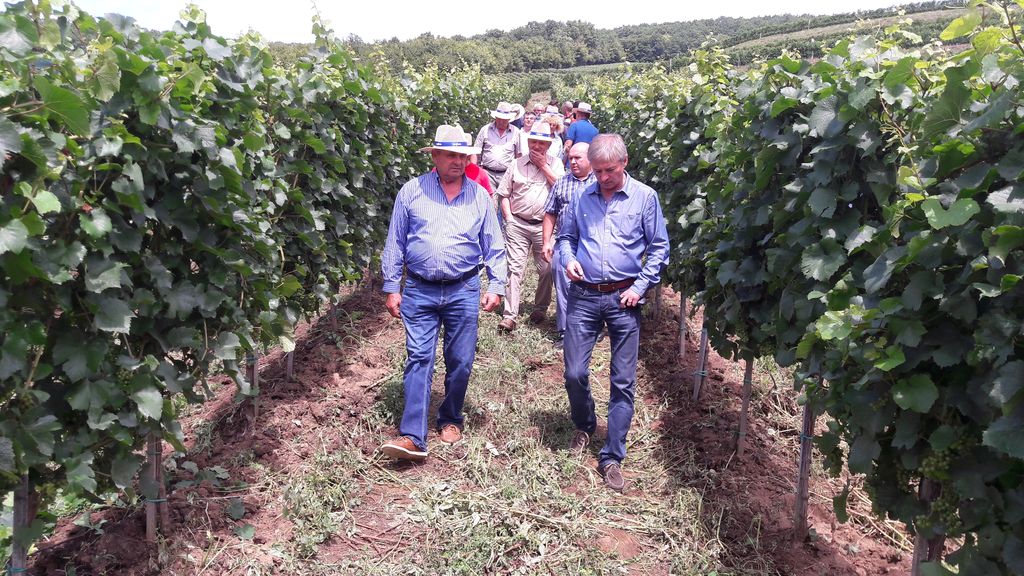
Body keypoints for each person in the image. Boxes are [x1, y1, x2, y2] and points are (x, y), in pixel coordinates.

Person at [380, 125, 506, 462]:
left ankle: (450, 417)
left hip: (463, 288)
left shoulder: (479, 196)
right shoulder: (412, 192)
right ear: (434, 156)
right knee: (419, 358)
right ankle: (412, 435)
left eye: (463, 156)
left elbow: (494, 245)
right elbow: (395, 241)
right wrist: (392, 286)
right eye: (451, 155)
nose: (458, 161)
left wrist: (496, 285)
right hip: (419, 288)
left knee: (460, 361)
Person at [556, 133, 670, 491]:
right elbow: (565, 238)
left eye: (610, 171)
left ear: (625, 163)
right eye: (598, 171)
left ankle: (612, 455)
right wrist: (568, 260)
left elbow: (659, 247)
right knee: (574, 372)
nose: (603, 178)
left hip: (624, 299)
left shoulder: (645, 198)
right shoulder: (581, 197)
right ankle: (585, 423)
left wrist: (640, 287)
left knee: (623, 380)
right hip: (584, 295)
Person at [495, 121, 565, 332]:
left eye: (541, 143)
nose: (536, 146)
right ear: (528, 141)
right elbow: (504, 194)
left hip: (545, 227)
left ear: (549, 144)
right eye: (533, 141)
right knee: (514, 269)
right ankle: (510, 315)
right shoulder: (516, 164)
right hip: (518, 223)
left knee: (546, 269)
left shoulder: (556, 164)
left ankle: (540, 308)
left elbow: (562, 190)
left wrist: (544, 166)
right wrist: (508, 218)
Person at [541, 142, 595, 347]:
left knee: (591, 287)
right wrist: (547, 241)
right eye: (570, 158)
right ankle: (565, 332)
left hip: (591, 244)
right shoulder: (561, 183)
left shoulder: (600, 183)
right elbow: (550, 213)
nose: (572, 161)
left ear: (590, 159)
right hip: (565, 243)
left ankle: (592, 327)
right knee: (564, 286)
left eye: (577, 158)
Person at [472, 102, 522, 189]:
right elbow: (475, 152)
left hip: (507, 174)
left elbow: (518, 155)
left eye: (504, 119)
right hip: (487, 173)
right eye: (499, 118)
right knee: (488, 196)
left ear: (509, 119)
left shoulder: (516, 132)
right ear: (495, 117)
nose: (501, 121)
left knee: (504, 196)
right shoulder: (485, 129)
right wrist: (474, 170)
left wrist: (517, 174)